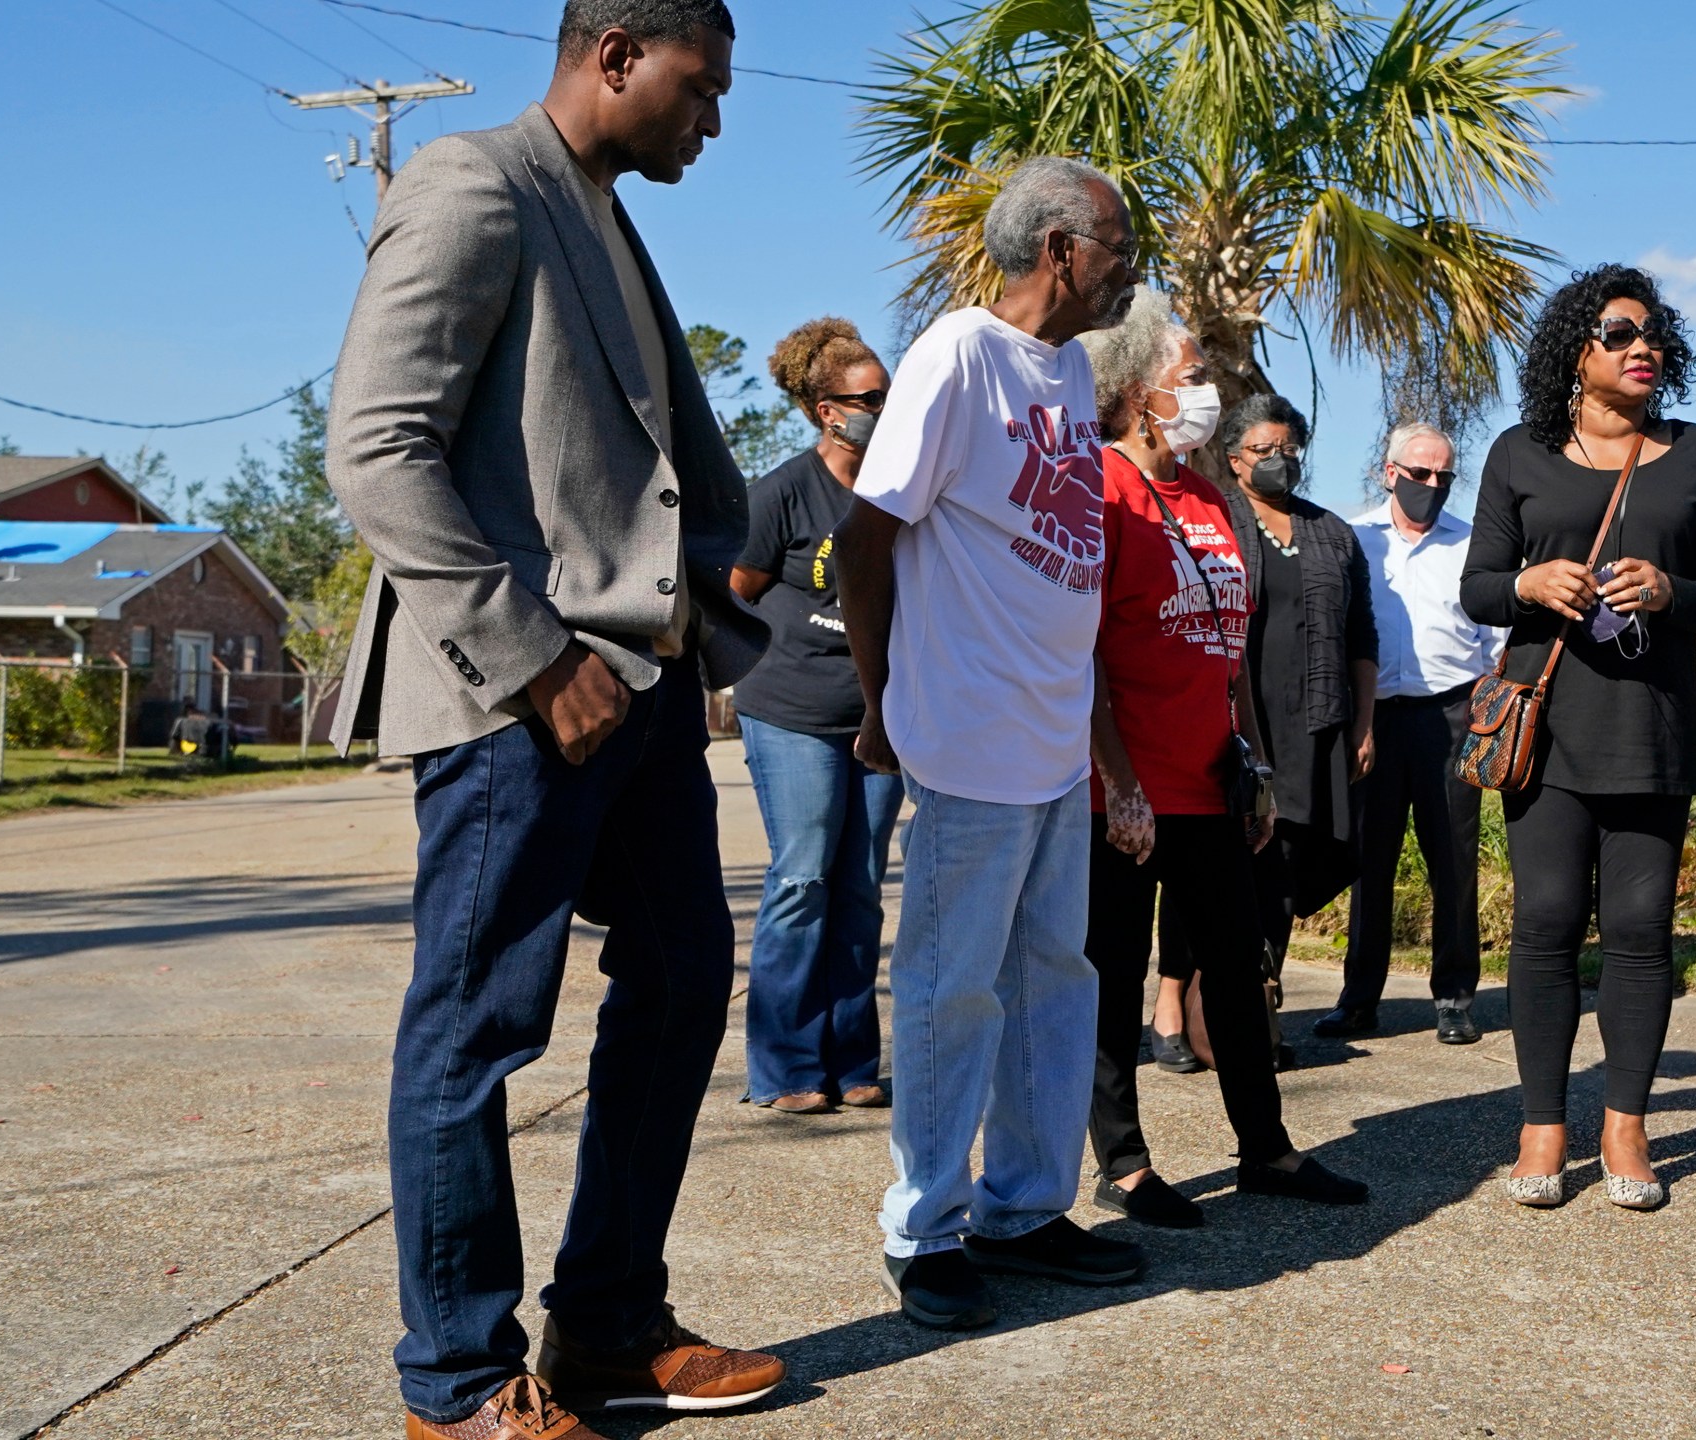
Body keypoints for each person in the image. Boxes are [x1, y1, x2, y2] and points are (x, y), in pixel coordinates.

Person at [325, 3, 787, 1434]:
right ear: (615, 54)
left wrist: (698, 615)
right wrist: (532, 657)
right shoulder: (472, 182)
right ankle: (458, 1383)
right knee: (476, 1028)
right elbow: (377, 446)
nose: (712, 120)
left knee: (684, 983)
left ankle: (603, 1323)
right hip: (514, 696)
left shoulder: (600, 214)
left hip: (639, 692)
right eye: (700, 89)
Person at [832, 154, 1147, 1331]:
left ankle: (1023, 1209)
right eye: (1117, 247)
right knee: (950, 992)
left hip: (1051, 742)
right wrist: (881, 702)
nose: (1131, 271)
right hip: (965, 738)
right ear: (1059, 250)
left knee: (1052, 986)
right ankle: (925, 1230)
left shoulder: (1066, 367)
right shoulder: (957, 353)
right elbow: (867, 540)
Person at [1457, 264, 1696, 1213]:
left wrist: (1673, 593)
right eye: (1621, 333)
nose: (1644, 349)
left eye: (1654, 334)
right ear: (1576, 352)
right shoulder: (1518, 453)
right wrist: (1529, 586)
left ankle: (1625, 1125)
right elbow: (1477, 585)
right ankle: (1542, 1120)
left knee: (1638, 933)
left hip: (1650, 729)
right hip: (1544, 727)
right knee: (1544, 924)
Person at [1078, 289, 1370, 1229]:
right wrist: (1118, 784)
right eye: (1190, 376)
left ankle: (1266, 1151)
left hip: (1213, 783)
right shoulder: (1101, 487)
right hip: (1121, 796)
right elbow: (1080, 654)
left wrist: (1251, 761)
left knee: (1238, 973)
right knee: (1115, 978)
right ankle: (1122, 1164)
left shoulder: (1208, 497)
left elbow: (1228, 643)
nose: (1206, 390)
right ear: (1134, 393)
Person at [1154, 394, 1376, 1061]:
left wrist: (1364, 724)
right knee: (1202, 861)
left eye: (1288, 450)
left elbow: (1361, 637)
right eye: (1264, 450)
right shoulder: (1211, 520)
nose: (1279, 461)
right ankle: (1172, 1005)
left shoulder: (1334, 533)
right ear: (1234, 459)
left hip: (1312, 728)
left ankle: (1254, 1006)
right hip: (1228, 724)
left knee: (1280, 866)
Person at [729, 318, 904, 1116]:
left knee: (861, 888)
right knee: (803, 879)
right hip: (793, 713)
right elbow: (735, 592)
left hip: (880, 718)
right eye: (869, 397)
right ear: (826, 409)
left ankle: (852, 1058)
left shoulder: (899, 485)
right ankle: (788, 1067)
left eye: (888, 392)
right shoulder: (783, 493)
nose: (885, 406)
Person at [1329, 423, 1504, 1045]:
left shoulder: (1472, 545)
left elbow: (1495, 642)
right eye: (1419, 473)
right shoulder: (1354, 541)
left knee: (1453, 862)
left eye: (1443, 476)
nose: (1431, 485)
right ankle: (1358, 1001)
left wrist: (1483, 712)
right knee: (1368, 863)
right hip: (1374, 719)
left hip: (1451, 719)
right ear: (1390, 471)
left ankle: (1455, 996)